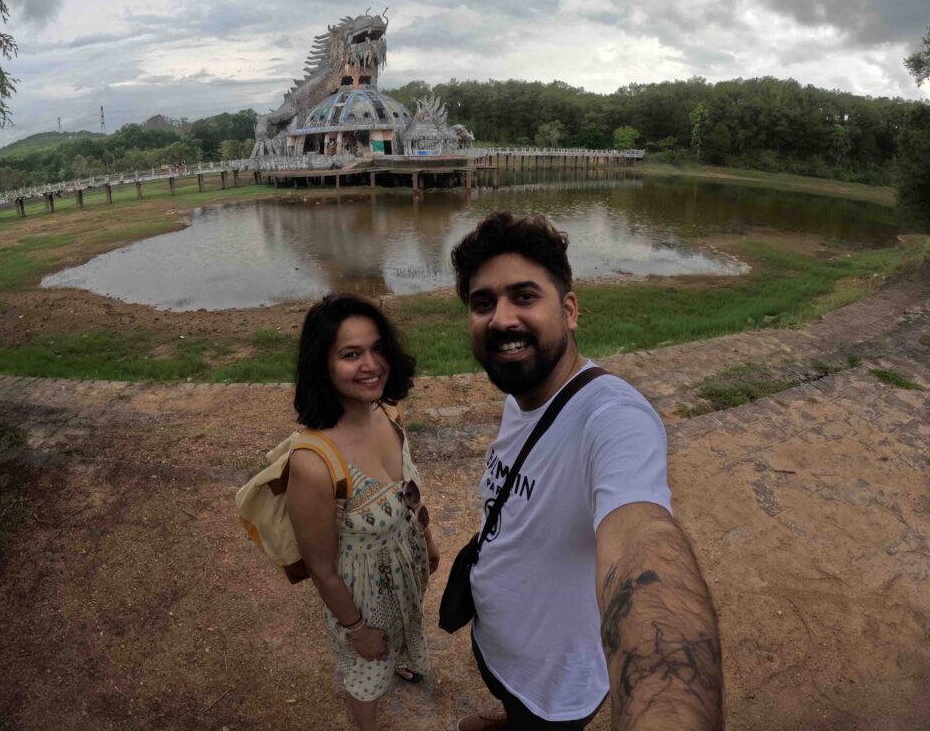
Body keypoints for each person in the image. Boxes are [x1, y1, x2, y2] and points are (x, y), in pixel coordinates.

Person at [449, 211, 723, 731]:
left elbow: (641, 544)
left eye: (524, 297)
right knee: (514, 710)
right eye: (483, 303)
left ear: (569, 309)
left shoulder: (614, 418)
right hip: (500, 644)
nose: (501, 318)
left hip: (556, 686)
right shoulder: (524, 392)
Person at [286, 293, 439, 731]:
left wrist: (426, 540)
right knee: (367, 673)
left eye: (377, 349)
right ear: (323, 365)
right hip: (363, 601)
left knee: (406, 632)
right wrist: (357, 629)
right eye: (351, 354)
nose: (371, 364)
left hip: (406, 573)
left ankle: (401, 662)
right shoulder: (314, 462)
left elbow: (408, 493)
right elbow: (320, 566)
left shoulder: (389, 414)